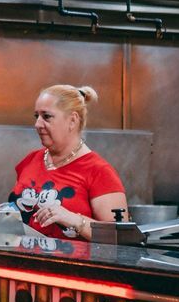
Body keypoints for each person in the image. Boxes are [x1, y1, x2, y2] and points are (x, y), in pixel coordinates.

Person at [12, 84, 127, 239]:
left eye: (46, 116)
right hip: (25, 261)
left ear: (72, 120)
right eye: (36, 116)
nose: (37, 124)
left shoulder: (99, 171)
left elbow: (120, 238)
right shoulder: (30, 160)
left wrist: (74, 220)